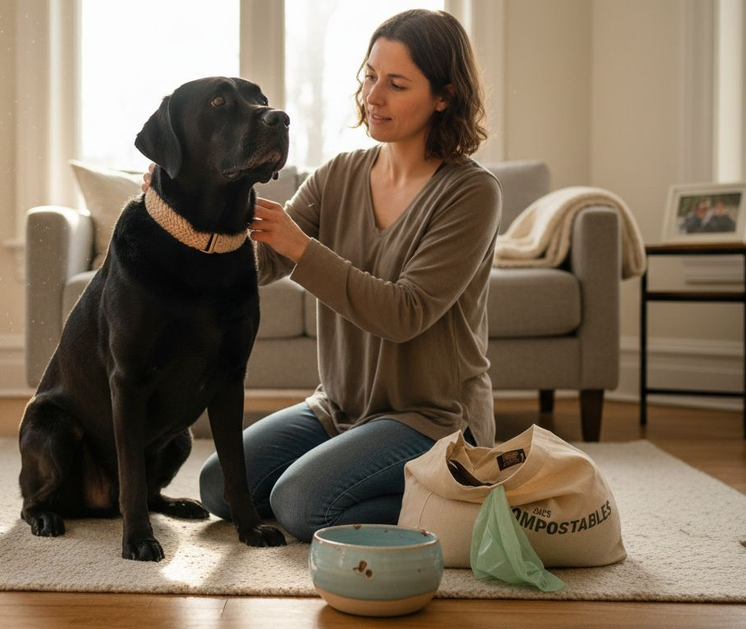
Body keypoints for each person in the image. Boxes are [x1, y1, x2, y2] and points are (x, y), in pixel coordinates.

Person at [145, 9, 501, 543]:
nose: (373, 96)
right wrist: (182, 203)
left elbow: (404, 314)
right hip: (336, 408)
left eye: (396, 84)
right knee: (221, 486)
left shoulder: (472, 193)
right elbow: (260, 263)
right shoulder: (340, 174)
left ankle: (464, 498)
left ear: (444, 96)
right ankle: (390, 480)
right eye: (369, 75)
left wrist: (301, 246)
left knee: (300, 505)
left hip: (433, 419)